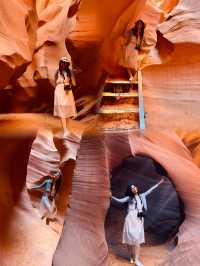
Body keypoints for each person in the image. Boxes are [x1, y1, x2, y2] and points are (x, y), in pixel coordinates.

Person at [111, 178, 164, 266]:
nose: (134, 188)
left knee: (137, 239)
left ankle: (136, 260)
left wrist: (158, 184)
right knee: (130, 239)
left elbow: (151, 190)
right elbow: (120, 200)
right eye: (132, 188)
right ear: (130, 191)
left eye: (135, 187)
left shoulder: (142, 196)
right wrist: (111, 196)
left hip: (139, 219)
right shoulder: (129, 198)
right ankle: (131, 256)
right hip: (130, 219)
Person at [54, 56, 77, 132]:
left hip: (67, 91)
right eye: (62, 63)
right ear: (60, 63)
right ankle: (64, 129)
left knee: (67, 110)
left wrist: (71, 78)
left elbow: (74, 83)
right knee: (61, 110)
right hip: (59, 91)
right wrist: (61, 83)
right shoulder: (57, 72)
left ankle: (66, 128)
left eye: (65, 63)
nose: (64, 64)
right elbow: (55, 82)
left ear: (67, 64)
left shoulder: (69, 72)